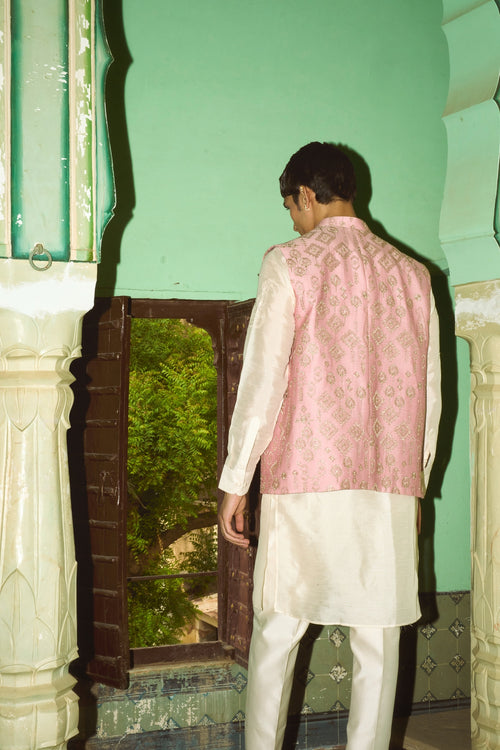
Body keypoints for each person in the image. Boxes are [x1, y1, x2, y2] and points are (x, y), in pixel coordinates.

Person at [218, 141, 441, 750]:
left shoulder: (289, 263)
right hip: (388, 484)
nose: (293, 221)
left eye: (291, 207)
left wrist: (236, 480)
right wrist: (416, 485)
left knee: (277, 632)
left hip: (303, 479)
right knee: (379, 639)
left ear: (306, 195)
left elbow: (263, 380)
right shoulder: (413, 274)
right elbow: (430, 395)